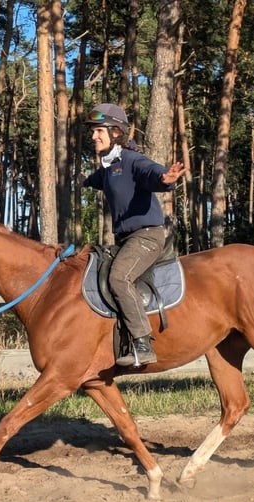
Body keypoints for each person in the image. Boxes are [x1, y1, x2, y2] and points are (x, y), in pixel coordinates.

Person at [82, 103, 185, 366]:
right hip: (126, 239)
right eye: (93, 132)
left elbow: (151, 172)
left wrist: (165, 178)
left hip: (147, 236)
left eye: (98, 131)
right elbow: (97, 179)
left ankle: (142, 342)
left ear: (116, 132)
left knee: (119, 277)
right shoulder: (108, 168)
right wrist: (81, 180)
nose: (94, 136)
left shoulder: (131, 160)